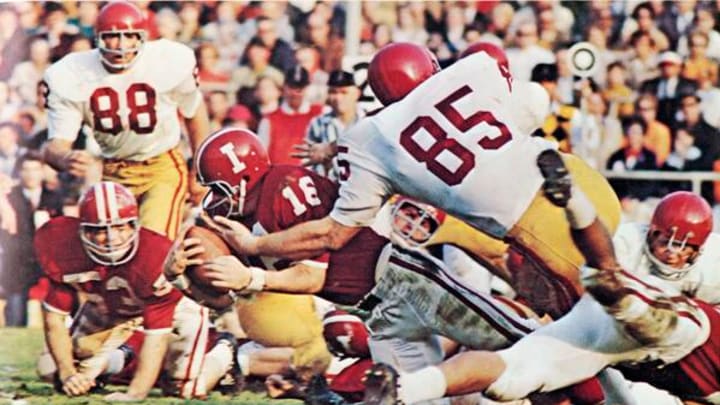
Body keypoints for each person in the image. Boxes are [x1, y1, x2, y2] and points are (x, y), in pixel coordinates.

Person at [205, 42, 621, 317]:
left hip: (528, 225)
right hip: (577, 180)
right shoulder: (474, 67)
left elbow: (334, 235)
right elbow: (532, 100)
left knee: (595, 329)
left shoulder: (371, 139)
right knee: (626, 283)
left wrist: (255, 247)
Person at [361, 183, 720, 405]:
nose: (672, 251)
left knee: (513, 374)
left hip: (658, 355)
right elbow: (591, 273)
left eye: (684, 246)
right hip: (623, 332)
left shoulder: (713, 267)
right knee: (624, 296)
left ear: (700, 249)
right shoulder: (629, 240)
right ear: (651, 230)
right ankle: (407, 388)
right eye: (664, 239)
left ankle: (408, 388)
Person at [42, 1, 210, 241]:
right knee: (113, 246)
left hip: (161, 166)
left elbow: (195, 113)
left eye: (129, 36)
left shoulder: (167, 60)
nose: (121, 45)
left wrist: (199, 172)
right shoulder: (70, 73)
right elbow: (55, 147)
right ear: (98, 38)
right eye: (112, 37)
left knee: (153, 244)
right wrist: (64, 157)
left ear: (142, 38)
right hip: (113, 171)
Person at [35, 181, 212, 401]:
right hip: (110, 309)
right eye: (100, 230)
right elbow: (54, 319)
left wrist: (135, 394)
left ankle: (223, 351)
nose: (111, 239)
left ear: (134, 225)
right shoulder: (64, 246)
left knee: (184, 388)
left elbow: (156, 338)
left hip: (173, 311)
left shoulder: (156, 254)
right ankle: (124, 356)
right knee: (49, 368)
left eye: (120, 227)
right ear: (83, 230)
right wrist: (68, 373)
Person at [0, 152, 63, 326]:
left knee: (57, 305)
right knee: (16, 311)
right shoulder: (8, 198)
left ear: (42, 171)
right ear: (19, 172)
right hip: (17, 260)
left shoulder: (54, 197)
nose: (31, 174)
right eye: (26, 169)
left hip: (46, 259)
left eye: (35, 169)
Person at [294, 70, 363, 181]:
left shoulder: (367, 120)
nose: (338, 98)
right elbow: (308, 161)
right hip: (328, 186)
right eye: (333, 92)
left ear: (357, 93)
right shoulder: (318, 124)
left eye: (344, 92)